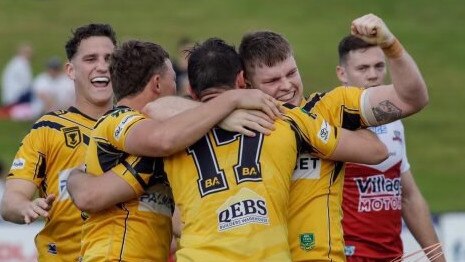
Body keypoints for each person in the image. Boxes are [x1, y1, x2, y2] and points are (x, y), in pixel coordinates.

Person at [69, 38, 388, 262]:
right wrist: (231, 103)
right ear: (242, 81)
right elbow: (377, 150)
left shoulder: (178, 137)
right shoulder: (283, 121)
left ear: (192, 91)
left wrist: (76, 177)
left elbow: (94, 193)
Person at [66, 39, 283, 262]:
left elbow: (175, 220)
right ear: (158, 84)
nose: (178, 89)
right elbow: (162, 140)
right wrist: (230, 101)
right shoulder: (118, 119)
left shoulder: (174, 139)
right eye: (173, 80)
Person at [238, 13, 429, 261]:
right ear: (248, 84)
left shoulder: (329, 107)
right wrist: (228, 107)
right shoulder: (234, 125)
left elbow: (412, 99)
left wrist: (390, 45)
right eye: (273, 80)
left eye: (292, 73)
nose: (287, 85)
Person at [0, 23, 117, 261]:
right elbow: (11, 200)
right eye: (91, 59)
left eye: (110, 58)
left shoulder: (140, 126)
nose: (102, 66)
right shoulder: (48, 129)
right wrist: (26, 206)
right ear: (71, 70)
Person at [337, 35, 445, 261]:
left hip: (392, 255)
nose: (373, 74)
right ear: (342, 74)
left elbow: (408, 196)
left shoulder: (394, 122)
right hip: (345, 255)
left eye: (379, 66)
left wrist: (437, 257)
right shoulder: (330, 122)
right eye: (363, 68)